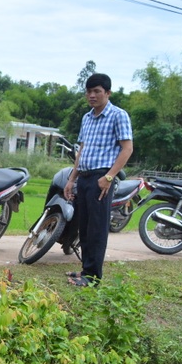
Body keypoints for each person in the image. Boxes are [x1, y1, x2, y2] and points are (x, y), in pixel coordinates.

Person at [64, 73, 134, 287]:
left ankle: (93, 277)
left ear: (107, 93)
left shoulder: (118, 115)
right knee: (83, 227)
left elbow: (127, 148)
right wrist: (72, 179)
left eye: (97, 91)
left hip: (101, 178)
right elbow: (82, 150)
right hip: (84, 177)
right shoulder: (87, 118)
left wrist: (109, 177)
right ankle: (86, 270)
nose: (92, 95)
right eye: (89, 91)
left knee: (96, 228)